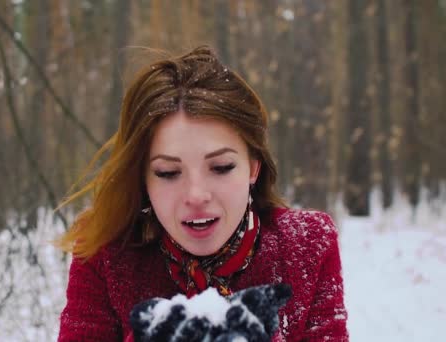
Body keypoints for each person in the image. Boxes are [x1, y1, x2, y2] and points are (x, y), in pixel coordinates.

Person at [56, 46, 348, 341]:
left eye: (220, 167)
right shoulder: (105, 255)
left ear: (253, 168)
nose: (196, 195)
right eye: (168, 173)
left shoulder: (307, 247)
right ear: (143, 178)